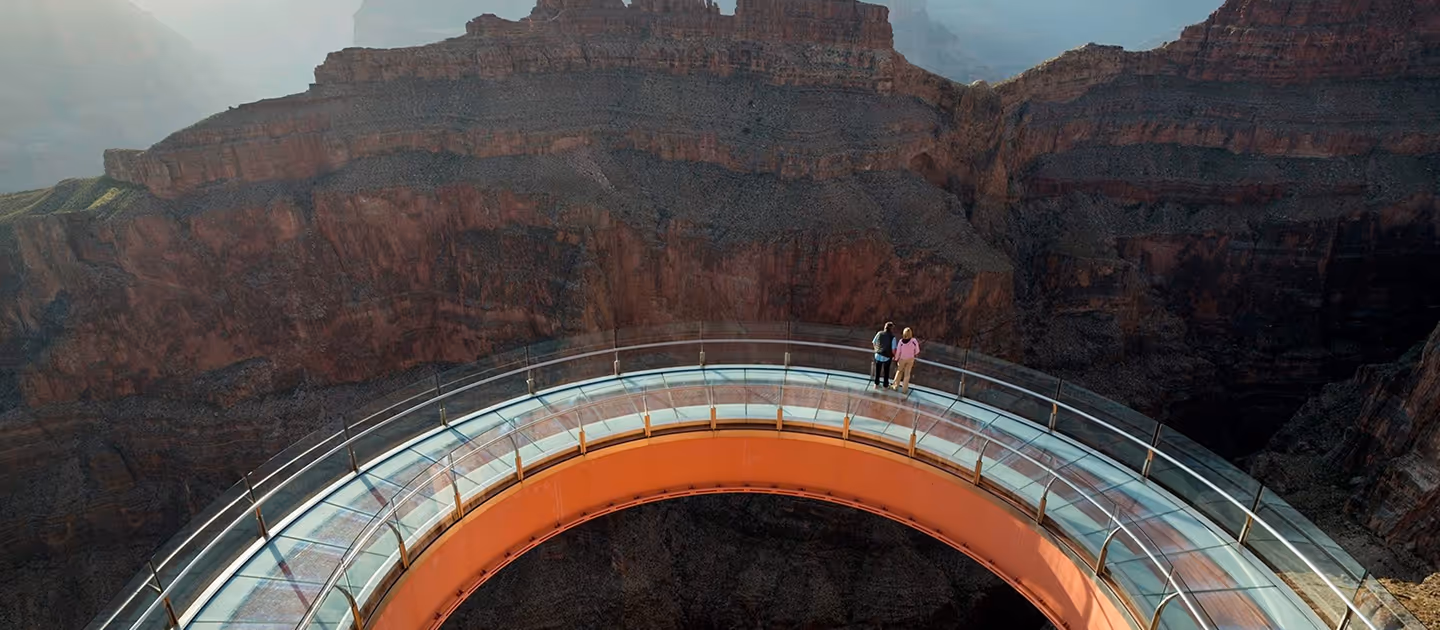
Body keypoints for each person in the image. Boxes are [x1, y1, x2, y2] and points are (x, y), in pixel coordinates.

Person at [892, 327, 921, 393]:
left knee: (899, 372)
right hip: (910, 359)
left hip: (902, 359)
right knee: (907, 374)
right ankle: (904, 390)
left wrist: (896, 359)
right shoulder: (914, 341)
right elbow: (917, 350)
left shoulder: (901, 342)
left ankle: (895, 386)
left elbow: (898, 352)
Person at [872, 322, 897, 389]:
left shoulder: (879, 333)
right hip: (887, 356)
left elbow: (874, 342)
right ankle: (885, 386)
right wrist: (895, 356)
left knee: (877, 371)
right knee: (886, 371)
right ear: (891, 329)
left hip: (878, 355)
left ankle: (876, 384)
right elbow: (893, 349)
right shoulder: (892, 337)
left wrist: (876, 350)